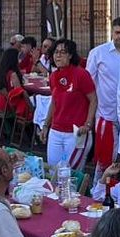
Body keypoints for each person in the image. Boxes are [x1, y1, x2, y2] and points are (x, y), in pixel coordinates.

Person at [86, 17, 120, 173]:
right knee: (105, 158)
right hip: (106, 114)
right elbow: (89, 84)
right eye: (117, 32)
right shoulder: (98, 53)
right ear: (112, 32)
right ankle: (99, 190)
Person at [41, 39, 96, 170]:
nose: (58, 55)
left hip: (76, 133)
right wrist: (45, 125)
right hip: (56, 131)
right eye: (56, 52)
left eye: (63, 52)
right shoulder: (53, 76)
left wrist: (88, 124)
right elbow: (54, 102)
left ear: (70, 55)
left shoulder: (81, 74)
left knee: (70, 175)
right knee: (53, 172)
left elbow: (93, 100)